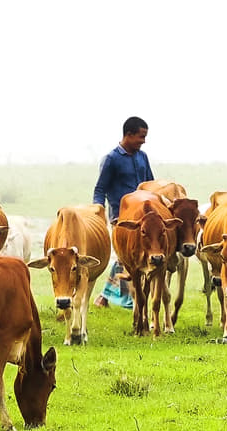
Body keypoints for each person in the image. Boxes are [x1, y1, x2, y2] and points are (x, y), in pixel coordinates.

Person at [92, 116, 155, 308]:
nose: (143, 141)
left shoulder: (142, 156)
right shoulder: (111, 159)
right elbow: (100, 189)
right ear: (128, 134)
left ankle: (114, 297)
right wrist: (98, 211)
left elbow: (150, 183)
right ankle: (110, 297)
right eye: (141, 137)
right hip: (121, 217)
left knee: (139, 255)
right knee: (125, 257)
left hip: (143, 216)